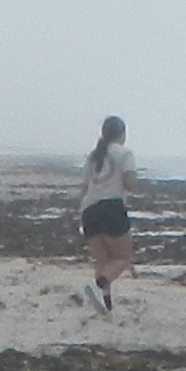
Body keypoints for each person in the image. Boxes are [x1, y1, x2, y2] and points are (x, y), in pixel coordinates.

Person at [75, 118, 139, 314]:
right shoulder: (125, 153)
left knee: (102, 260)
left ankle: (105, 303)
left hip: (89, 209)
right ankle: (98, 286)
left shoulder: (94, 156)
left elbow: (84, 187)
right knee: (122, 257)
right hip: (111, 207)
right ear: (122, 133)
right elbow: (130, 184)